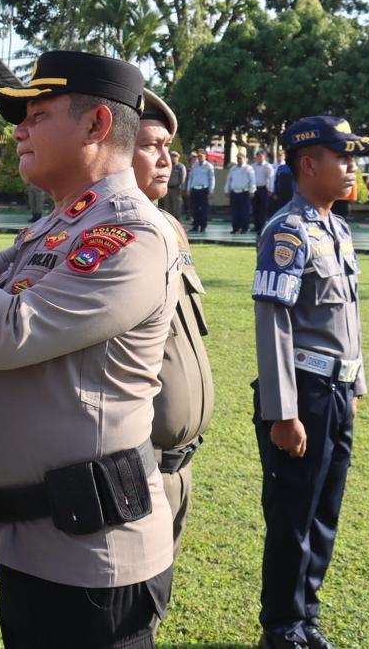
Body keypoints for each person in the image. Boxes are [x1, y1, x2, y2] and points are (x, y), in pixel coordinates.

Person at [0, 50, 178, 648]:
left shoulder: (132, 234)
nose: (19, 130)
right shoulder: (57, 226)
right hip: (38, 542)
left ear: (96, 124)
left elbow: (7, 332)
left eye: (37, 115)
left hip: (93, 557)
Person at [252, 116, 369, 649]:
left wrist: (356, 383)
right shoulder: (288, 231)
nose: (352, 168)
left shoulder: (337, 229)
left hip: (336, 392)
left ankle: (307, 619)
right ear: (308, 164)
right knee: (293, 516)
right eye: (341, 157)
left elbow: (348, 314)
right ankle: (282, 627)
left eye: (353, 158)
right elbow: (273, 322)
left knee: (324, 513)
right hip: (303, 393)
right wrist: (283, 412)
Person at [132, 91, 214, 560]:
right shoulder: (110, 234)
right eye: (150, 146)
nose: (165, 160)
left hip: (179, 466)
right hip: (138, 468)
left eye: (168, 148)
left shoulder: (170, 227)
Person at [226, 152, 255, 234]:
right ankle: (235, 228)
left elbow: (252, 180)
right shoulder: (233, 169)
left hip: (244, 192)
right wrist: (226, 189)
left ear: (244, 159)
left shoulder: (248, 168)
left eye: (241, 158)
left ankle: (245, 228)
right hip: (234, 192)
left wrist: (252, 190)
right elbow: (229, 180)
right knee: (235, 212)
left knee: (244, 212)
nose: (239, 160)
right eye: (238, 158)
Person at [188, 147, 215, 233]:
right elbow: (191, 178)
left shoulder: (209, 166)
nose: (199, 158)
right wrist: (189, 188)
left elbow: (211, 179)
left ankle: (203, 226)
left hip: (204, 189)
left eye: (201, 156)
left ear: (205, 156)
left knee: (203, 209)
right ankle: (195, 226)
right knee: (195, 208)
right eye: (198, 156)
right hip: (195, 189)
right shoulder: (194, 166)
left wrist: (211, 191)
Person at [253, 149, 275, 233]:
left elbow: (271, 178)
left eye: (261, 157)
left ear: (264, 157)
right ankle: (256, 225)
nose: (259, 158)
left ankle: (261, 226)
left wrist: (270, 189)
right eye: (258, 156)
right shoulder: (253, 166)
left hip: (264, 188)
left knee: (263, 208)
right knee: (255, 208)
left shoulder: (268, 166)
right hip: (255, 188)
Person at [272, 150, 295, 215]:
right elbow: (276, 181)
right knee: (281, 211)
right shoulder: (281, 168)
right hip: (281, 194)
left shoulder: (295, 168)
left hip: (292, 194)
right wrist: (275, 192)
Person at [166, 150, 188, 219]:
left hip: (177, 189)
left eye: (175, 156)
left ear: (178, 158)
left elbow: (183, 179)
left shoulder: (181, 167)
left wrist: (181, 189)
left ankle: (176, 222)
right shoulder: (168, 166)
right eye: (172, 156)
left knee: (177, 208)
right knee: (167, 207)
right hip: (168, 189)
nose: (173, 158)